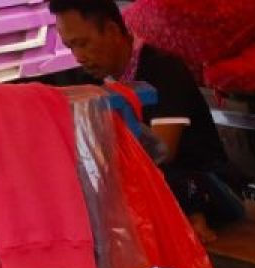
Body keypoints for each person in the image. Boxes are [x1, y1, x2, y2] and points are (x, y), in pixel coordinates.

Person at [48, 0, 242, 244]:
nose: (78, 57)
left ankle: (193, 215)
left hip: (209, 186)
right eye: (70, 47)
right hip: (154, 187)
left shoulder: (163, 69)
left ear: (111, 30)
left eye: (83, 43)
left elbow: (163, 151)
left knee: (154, 175)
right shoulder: (90, 81)